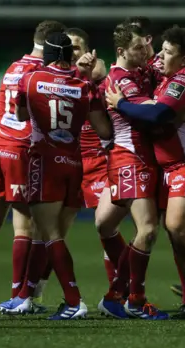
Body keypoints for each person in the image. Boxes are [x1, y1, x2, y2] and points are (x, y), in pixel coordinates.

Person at [105, 25, 185, 319]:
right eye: (160, 49)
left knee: (178, 226)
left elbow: (158, 114)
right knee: (174, 235)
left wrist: (122, 104)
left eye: (168, 52)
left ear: (184, 59)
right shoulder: (163, 73)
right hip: (170, 165)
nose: (159, 56)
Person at [0, 20, 66, 314]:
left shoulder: (13, 66)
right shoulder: (41, 72)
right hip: (19, 151)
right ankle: (19, 298)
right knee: (24, 226)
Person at [5, 32, 111, 320]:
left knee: (50, 234)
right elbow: (104, 130)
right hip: (75, 164)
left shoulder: (31, 78)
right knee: (47, 234)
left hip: (45, 162)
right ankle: (25, 297)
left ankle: (75, 301)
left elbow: (21, 115)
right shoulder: (85, 85)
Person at [95, 23, 168, 320]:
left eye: (147, 45)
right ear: (122, 51)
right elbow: (151, 112)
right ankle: (135, 301)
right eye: (139, 47)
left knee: (104, 223)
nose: (146, 52)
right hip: (132, 158)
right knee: (148, 230)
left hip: (128, 158)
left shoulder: (139, 70)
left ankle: (115, 296)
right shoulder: (121, 81)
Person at [65, 28, 117, 282]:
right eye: (68, 47)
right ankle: (31, 292)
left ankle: (121, 289)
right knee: (49, 231)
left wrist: (102, 74)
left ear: (87, 52)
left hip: (98, 161)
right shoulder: (55, 76)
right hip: (64, 161)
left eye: (77, 47)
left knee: (106, 226)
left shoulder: (103, 78)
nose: (73, 52)